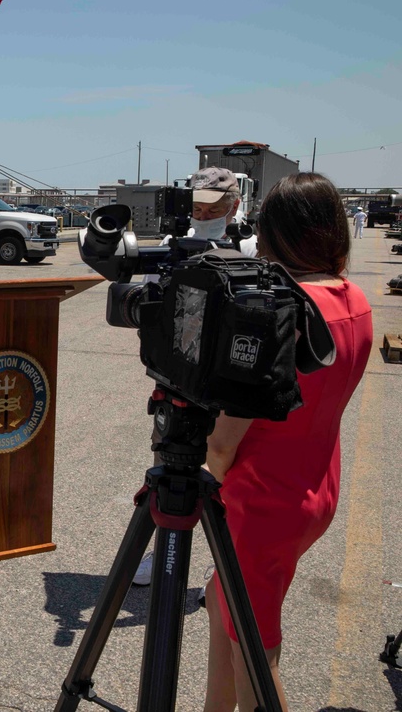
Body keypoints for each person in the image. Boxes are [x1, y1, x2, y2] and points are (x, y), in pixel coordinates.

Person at [202, 173, 372, 711]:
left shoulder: (284, 313)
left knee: (256, 651)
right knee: (219, 602)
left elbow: (224, 444)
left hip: (263, 503)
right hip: (313, 491)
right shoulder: (356, 300)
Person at [134, 166, 255, 586]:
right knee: (166, 462)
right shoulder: (171, 246)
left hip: (227, 380)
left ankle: (220, 565)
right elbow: (146, 305)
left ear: (233, 205)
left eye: (212, 209)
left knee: (223, 476)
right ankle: (161, 548)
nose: (202, 218)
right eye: (197, 209)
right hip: (176, 375)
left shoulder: (253, 248)